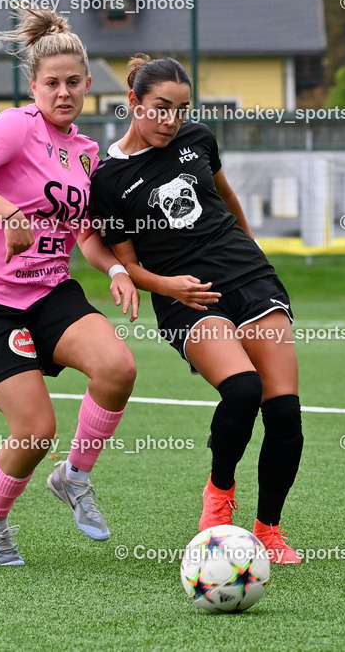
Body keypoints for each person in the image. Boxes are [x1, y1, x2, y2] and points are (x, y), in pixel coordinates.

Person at [0, 7, 138, 566]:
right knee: (35, 429)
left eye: (74, 82)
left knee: (118, 368)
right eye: (52, 83)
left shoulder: (87, 152)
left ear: (89, 85)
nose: (63, 92)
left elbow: (87, 235)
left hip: (50, 290)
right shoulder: (15, 125)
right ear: (34, 86)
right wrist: (7, 213)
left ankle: (74, 477)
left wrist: (117, 270)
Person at [90, 55, 304, 564]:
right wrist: (170, 286)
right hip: (185, 295)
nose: (172, 120)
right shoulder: (108, 179)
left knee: (285, 411)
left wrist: (256, 262)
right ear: (134, 104)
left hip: (249, 277)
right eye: (161, 108)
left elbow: (228, 201)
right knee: (243, 388)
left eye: (181, 109)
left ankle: (270, 531)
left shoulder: (199, 139)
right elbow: (127, 265)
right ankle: (219, 496)